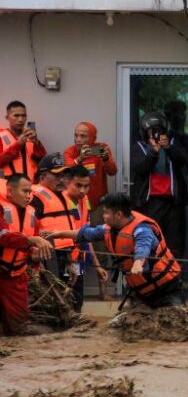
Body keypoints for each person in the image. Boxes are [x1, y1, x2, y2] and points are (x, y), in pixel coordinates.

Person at [46, 192, 184, 309]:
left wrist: (138, 263)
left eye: (105, 212)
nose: (103, 216)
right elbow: (84, 233)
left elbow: (143, 247)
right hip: (142, 294)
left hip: (167, 290)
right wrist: (57, 234)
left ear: (118, 214)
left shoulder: (142, 229)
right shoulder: (107, 229)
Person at [130, 111, 188, 259]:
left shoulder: (174, 143)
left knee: (175, 246)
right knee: (150, 243)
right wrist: (153, 152)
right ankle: (152, 279)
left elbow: (186, 159)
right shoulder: (139, 147)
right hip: (150, 204)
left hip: (173, 204)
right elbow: (140, 170)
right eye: (151, 130)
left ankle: (174, 279)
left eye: (158, 130)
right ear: (144, 131)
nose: (155, 134)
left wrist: (169, 148)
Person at [65, 121, 117, 300]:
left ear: (93, 137)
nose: (78, 139)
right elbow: (66, 171)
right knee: (75, 247)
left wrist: (105, 158)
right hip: (74, 206)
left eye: (83, 136)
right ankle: (72, 291)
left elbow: (112, 171)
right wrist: (79, 158)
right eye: (76, 135)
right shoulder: (71, 152)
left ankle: (103, 289)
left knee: (101, 247)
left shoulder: (101, 149)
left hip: (97, 207)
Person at [0, 174, 53, 335]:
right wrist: (31, 241)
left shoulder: (32, 216)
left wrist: (34, 255)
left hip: (16, 277)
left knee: (18, 329)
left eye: (30, 191)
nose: (29, 195)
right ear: (10, 190)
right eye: (25, 191)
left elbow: (30, 247)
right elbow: (3, 237)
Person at [31, 153, 83, 307]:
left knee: (77, 294)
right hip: (51, 256)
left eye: (63, 175)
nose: (62, 179)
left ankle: (77, 327)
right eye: (57, 175)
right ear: (43, 176)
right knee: (55, 298)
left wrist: (74, 257)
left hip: (73, 254)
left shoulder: (67, 198)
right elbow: (30, 229)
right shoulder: (35, 198)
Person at [0, 100, 47, 181]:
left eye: (23, 115)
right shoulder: (1, 137)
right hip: (10, 187)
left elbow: (44, 162)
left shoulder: (31, 136)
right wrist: (18, 145)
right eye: (16, 116)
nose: (20, 119)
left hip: (30, 185)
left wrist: (37, 143)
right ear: (7, 118)